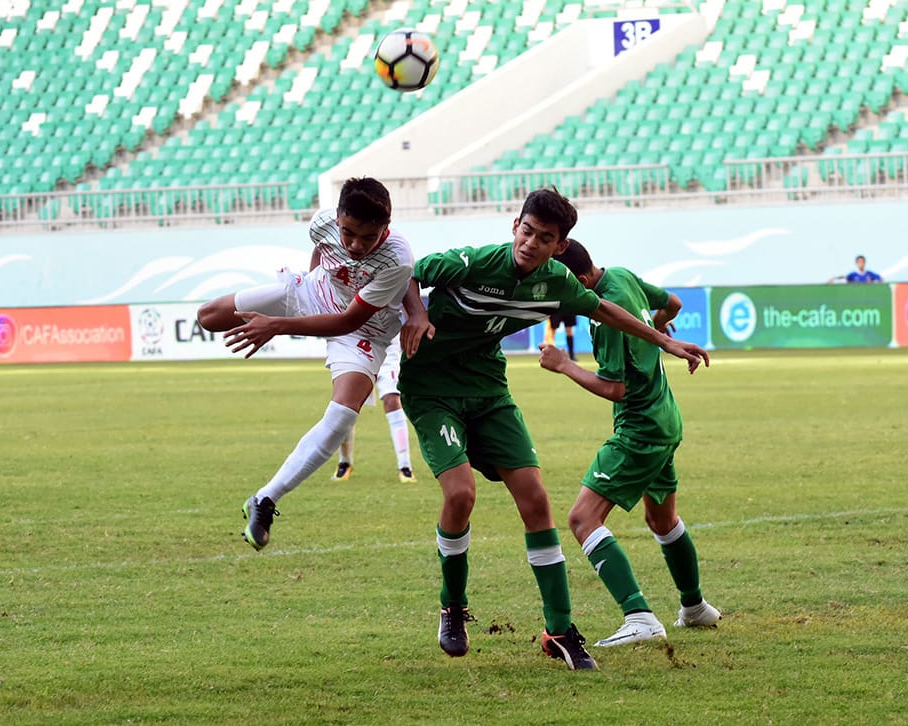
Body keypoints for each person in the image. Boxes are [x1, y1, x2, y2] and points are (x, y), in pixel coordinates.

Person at [397, 187, 709, 669]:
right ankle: (453, 607)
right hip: (433, 390)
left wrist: (665, 343)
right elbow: (407, 272)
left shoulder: (558, 281)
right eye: (526, 231)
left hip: (488, 391)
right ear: (513, 226)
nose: (530, 243)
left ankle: (560, 630)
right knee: (460, 495)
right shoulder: (474, 261)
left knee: (538, 499)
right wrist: (416, 313)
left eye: (544, 237)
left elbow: (604, 309)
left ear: (560, 245)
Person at [196, 177, 414, 551]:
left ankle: (265, 499)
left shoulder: (397, 257)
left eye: (368, 237)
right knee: (209, 316)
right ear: (338, 218)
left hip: (363, 330)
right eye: (349, 233)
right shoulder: (322, 222)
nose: (356, 245)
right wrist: (309, 282)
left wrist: (278, 326)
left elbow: (348, 321)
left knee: (344, 415)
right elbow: (323, 249)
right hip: (311, 293)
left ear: (386, 227)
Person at [540, 238, 720, 648]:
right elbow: (672, 303)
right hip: (666, 419)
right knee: (662, 520)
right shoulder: (620, 274)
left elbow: (616, 388)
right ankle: (694, 607)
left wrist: (565, 365)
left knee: (582, 519)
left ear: (580, 280)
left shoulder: (603, 319)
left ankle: (639, 616)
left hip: (639, 428)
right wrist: (656, 327)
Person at [331, 337, 418, 483]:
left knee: (392, 400)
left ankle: (405, 466)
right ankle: (345, 462)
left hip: (387, 342)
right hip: (356, 344)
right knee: (347, 405)